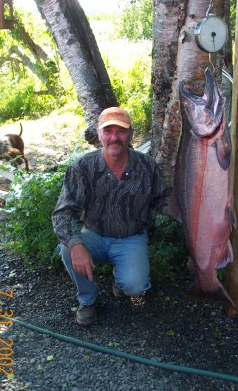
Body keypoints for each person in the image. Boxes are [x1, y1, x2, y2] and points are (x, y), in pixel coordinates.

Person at [52, 107, 170, 327]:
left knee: (135, 287)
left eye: (121, 131)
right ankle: (88, 300)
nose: (114, 137)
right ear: (99, 134)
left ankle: (121, 281)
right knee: (68, 248)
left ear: (131, 135)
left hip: (131, 237)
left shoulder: (147, 166)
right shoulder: (82, 167)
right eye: (108, 131)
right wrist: (77, 245)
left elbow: (163, 200)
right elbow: (63, 213)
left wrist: (198, 215)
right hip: (95, 235)